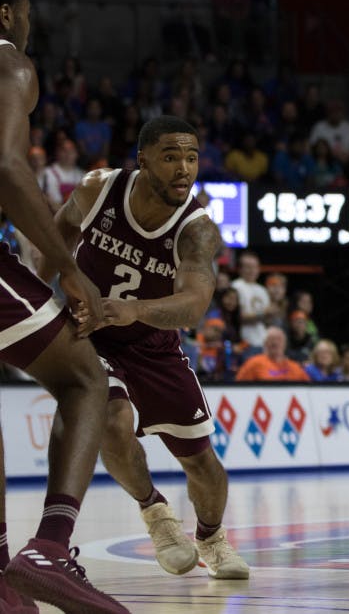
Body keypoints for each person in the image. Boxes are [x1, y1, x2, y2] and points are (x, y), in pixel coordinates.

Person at [42, 115, 250, 581]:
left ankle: (212, 537)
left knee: (202, 464)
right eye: (171, 156)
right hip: (88, 335)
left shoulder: (196, 229)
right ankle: (155, 513)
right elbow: (56, 238)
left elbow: (195, 305)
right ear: (143, 160)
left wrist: (132, 311)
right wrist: (43, 296)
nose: (184, 168)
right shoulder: (99, 188)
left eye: (192, 157)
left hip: (152, 345)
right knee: (112, 422)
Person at [0, 0, 127, 611]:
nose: (29, 22)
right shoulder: (9, 62)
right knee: (85, 378)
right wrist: (70, 268)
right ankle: (50, 545)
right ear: (6, 13)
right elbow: (7, 167)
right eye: (27, 11)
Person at [236, 326, 309, 381]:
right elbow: (239, 388)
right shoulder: (253, 363)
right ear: (265, 343)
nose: (275, 343)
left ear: (285, 344)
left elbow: (308, 389)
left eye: (279, 339)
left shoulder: (294, 367)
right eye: (271, 339)